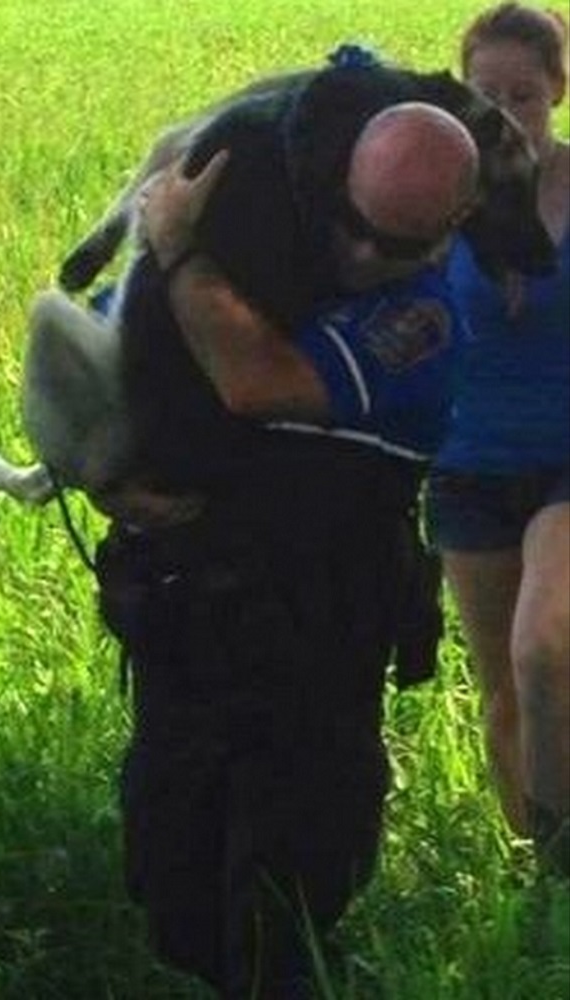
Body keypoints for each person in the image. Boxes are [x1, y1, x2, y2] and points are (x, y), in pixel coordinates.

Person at [92, 98, 480, 997]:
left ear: (455, 223)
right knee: (172, 880)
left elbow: (255, 380)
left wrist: (180, 249)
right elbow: (106, 360)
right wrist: (103, 474)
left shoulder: (427, 318)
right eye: (355, 228)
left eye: (397, 244)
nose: (366, 258)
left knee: (287, 899)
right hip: (188, 628)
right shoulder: (263, 244)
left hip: (318, 642)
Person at [426, 3, 570, 878]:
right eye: (490, 96)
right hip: (469, 466)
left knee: (544, 648)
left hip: (566, 463)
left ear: (559, 90)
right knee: (507, 695)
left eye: (526, 94)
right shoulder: (435, 194)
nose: (509, 114)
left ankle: (561, 866)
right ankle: (538, 886)